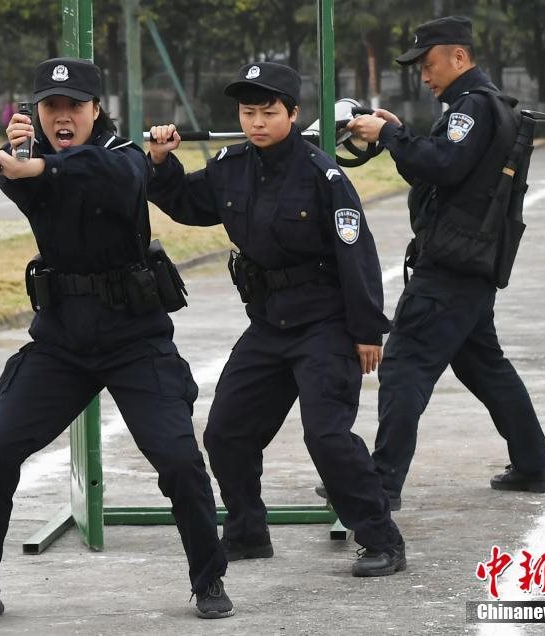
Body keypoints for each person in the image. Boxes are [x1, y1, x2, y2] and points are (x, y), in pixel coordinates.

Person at [0, 57, 233, 627]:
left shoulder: (124, 157)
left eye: (74, 105)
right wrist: (19, 162)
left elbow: (107, 175)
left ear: (97, 109)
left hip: (135, 336)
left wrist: (35, 168)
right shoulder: (29, 163)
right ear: (35, 113)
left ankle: (209, 578)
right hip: (61, 341)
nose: (62, 116)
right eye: (50, 107)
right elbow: (28, 182)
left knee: (176, 459)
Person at [148, 62, 406, 577]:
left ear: (293, 113)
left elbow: (356, 251)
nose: (258, 122)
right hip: (268, 324)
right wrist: (161, 161)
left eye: (269, 112)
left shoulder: (323, 174)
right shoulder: (230, 165)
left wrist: (366, 331)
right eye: (248, 112)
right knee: (226, 432)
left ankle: (381, 539)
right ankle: (246, 531)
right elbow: (185, 203)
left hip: (325, 323)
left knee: (327, 436)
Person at [345, 16, 545, 512]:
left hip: (452, 265)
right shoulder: (483, 106)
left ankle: (381, 483)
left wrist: (390, 137)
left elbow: (443, 165)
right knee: (486, 368)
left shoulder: (473, 107)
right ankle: (533, 465)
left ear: (458, 57)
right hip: (470, 261)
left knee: (403, 366)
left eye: (429, 61)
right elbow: (446, 162)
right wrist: (397, 133)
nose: (422, 72)